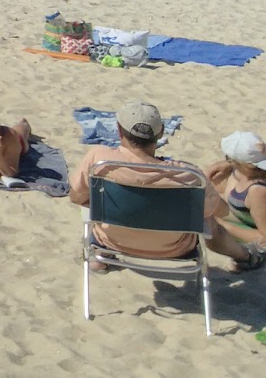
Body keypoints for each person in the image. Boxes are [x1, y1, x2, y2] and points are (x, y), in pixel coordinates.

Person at [71, 101, 265, 272]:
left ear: (119, 131)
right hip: (176, 248)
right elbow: (220, 210)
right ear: (161, 132)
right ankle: (246, 257)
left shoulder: (100, 161)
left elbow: (75, 197)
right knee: (210, 222)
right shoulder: (187, 175)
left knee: (94, 204)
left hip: (111, 241)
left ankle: (99, 257)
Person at [205, 131, 266, 246]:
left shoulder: (257, 190)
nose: (259, 170)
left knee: (209, 223)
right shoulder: (240, 171)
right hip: (242, 215)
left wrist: (221, 225)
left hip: (256, 227)